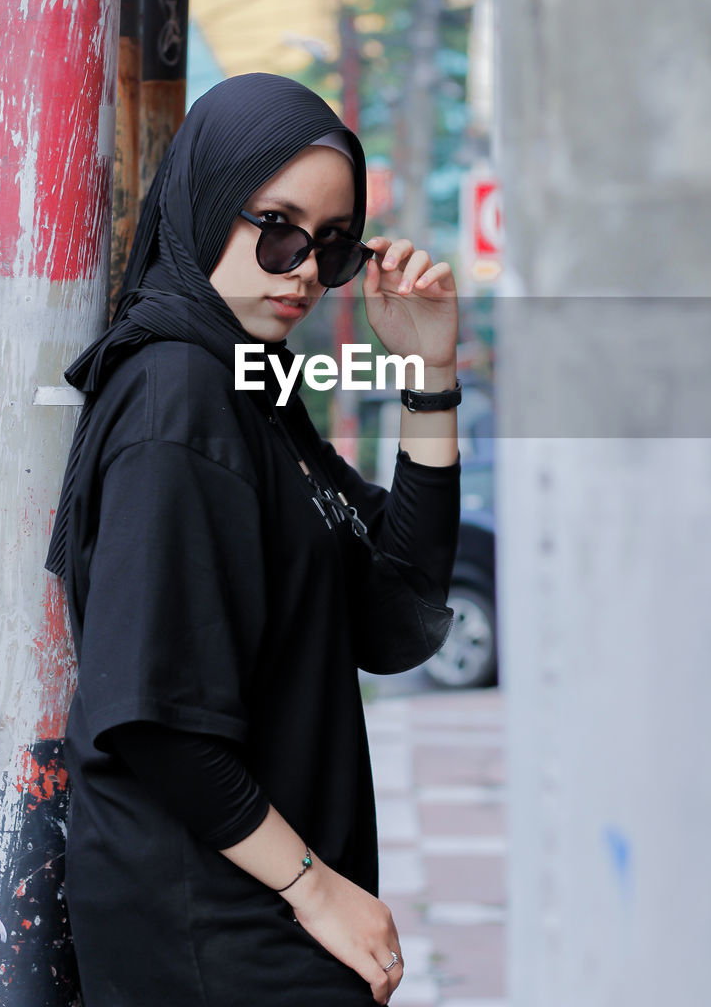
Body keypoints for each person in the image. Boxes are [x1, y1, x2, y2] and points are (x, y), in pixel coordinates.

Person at [45, 72, 461, 1006]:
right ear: (205, 203)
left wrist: (428, 376)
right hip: (209, 920)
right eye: (275, 227)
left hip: (263, 896)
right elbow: (156, 720)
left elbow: (393, 608)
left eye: (333, 245)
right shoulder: (177, 396)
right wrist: (317, 894)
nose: (304, 268)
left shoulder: (252, 388)